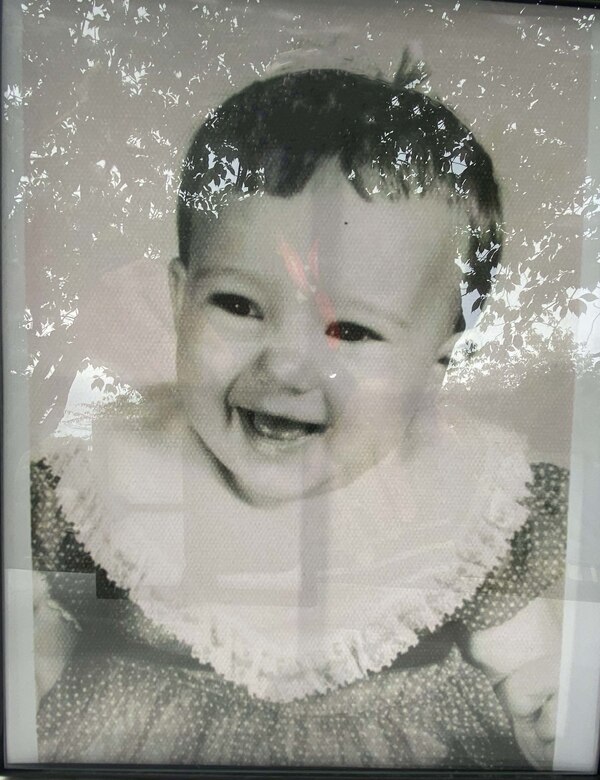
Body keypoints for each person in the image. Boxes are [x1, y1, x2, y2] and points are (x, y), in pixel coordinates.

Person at [31, 64, 568, 768]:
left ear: (439, 361)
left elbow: (536, 680)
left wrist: (554, 714)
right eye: (238, 305)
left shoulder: (468, 505)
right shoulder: (100, 484)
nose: (284, 367)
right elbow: (36, 640)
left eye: (350, 330)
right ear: (179, 298)